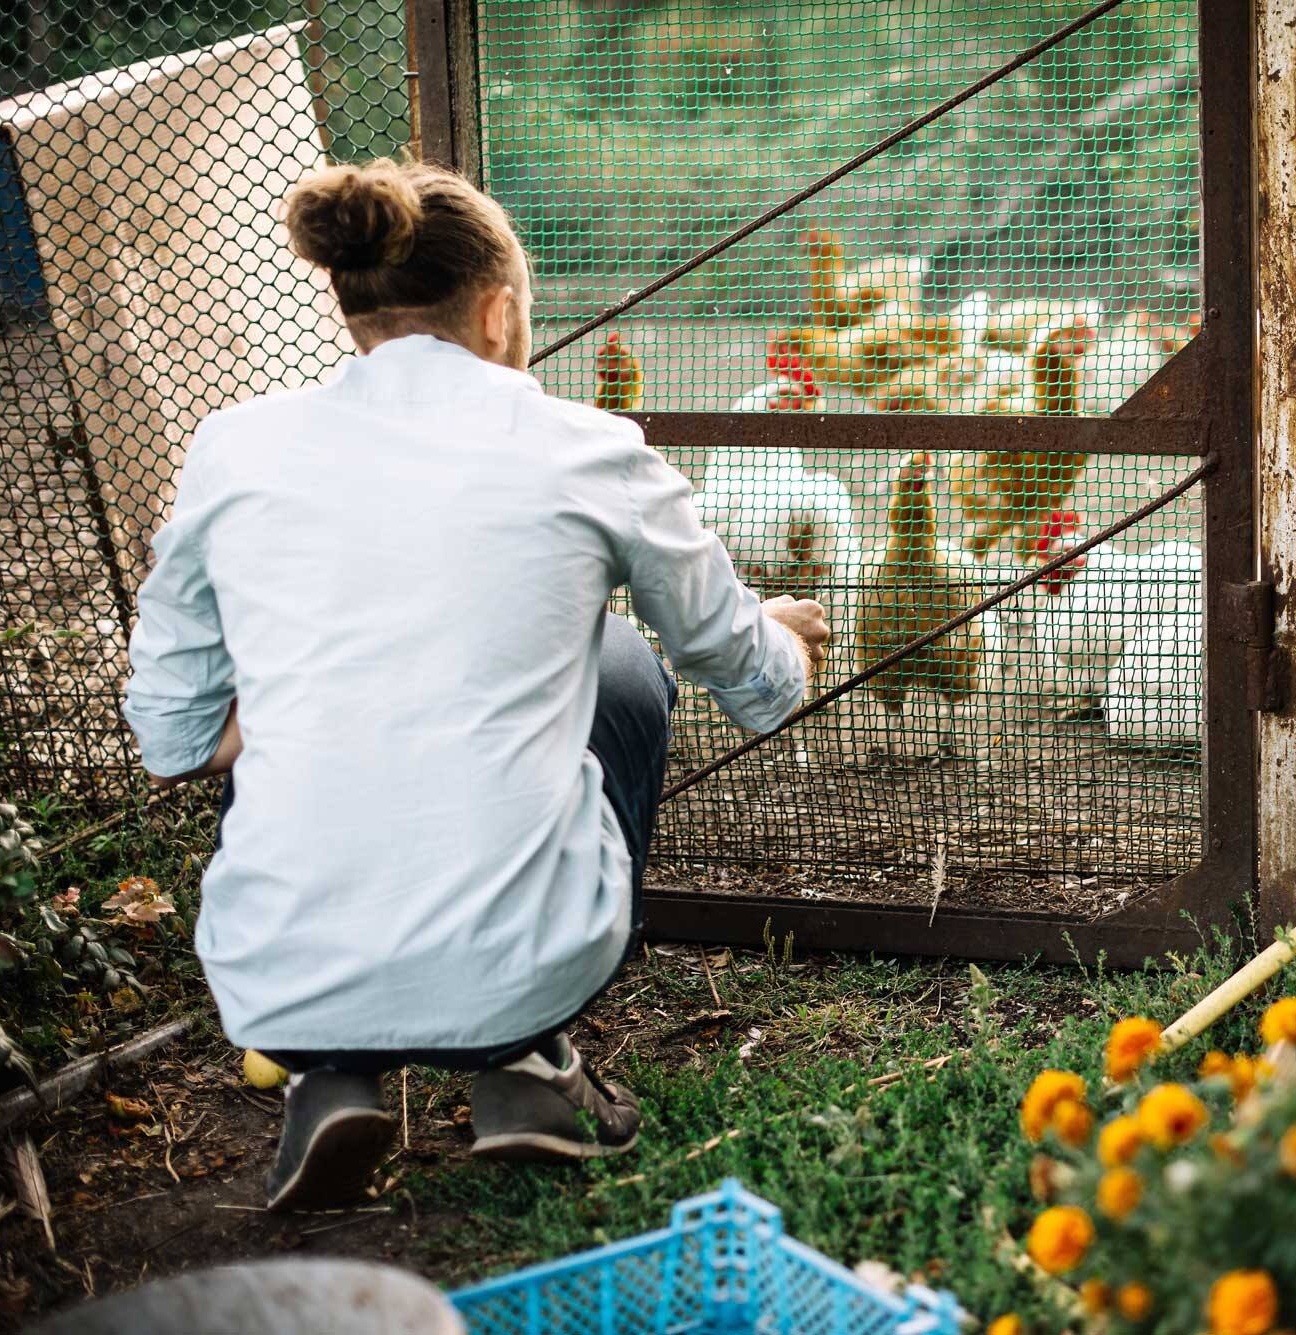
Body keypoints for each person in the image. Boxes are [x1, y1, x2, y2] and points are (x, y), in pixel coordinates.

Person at [121, 159, 829, 1212]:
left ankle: (329, 1076)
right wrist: (784, 639)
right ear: (498, 313)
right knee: (619, 660)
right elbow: (750, 679)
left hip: (275, 977)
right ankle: (529, 1066)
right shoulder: (589, 450)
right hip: (520, 969)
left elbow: (172, 738)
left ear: (354, 310)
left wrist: (300, 701)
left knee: (308, 702)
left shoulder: (236, 448)